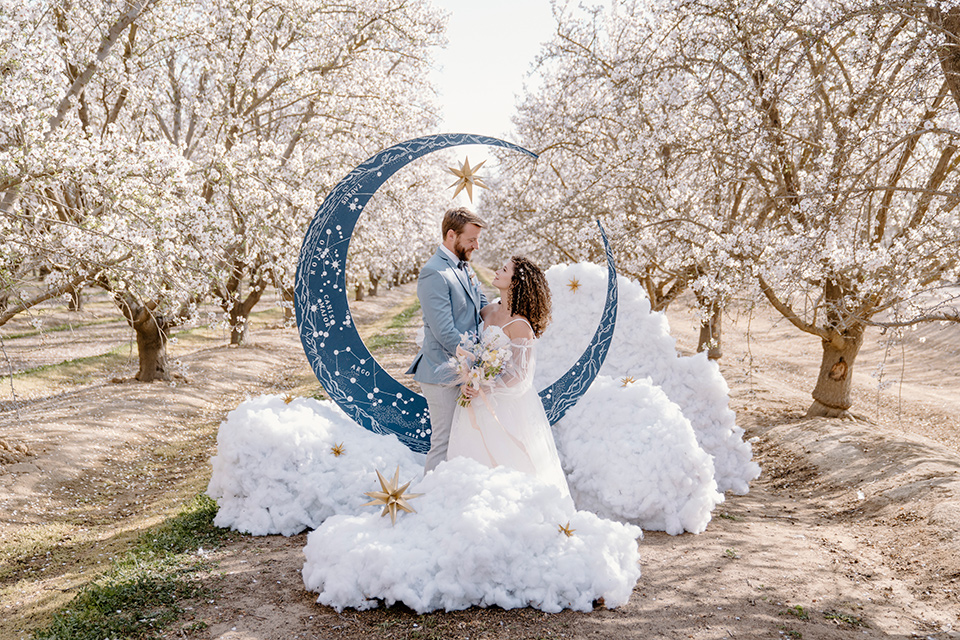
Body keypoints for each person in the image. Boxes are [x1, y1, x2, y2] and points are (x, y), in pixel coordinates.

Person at [446, 256, 571, 499]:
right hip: (473, 398)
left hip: (500, 404)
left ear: (515, 283)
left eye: (503, 270)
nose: (496, 271)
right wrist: (469, 374)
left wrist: (483, 385)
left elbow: (520, 375)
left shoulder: (520, 324)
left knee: (502, 458)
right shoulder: (489, 310)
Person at [407, 207, 488, 472]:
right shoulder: (434, 273)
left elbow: (482, 306)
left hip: (463, 368)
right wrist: (478, 360)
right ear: (451, 235)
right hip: (441, 372)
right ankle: (430, 502)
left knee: (462, 442)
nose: (476, 245)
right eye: (471, 239)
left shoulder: (464, 267)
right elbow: (444, 332)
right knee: (444, 443)